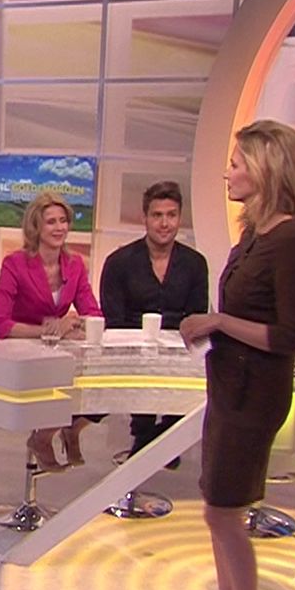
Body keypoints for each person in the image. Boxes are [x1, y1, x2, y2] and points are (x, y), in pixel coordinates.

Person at [177, 122, 295, 590]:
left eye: (237, 163)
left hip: (256, 394)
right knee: (217, 506)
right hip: (227, 386)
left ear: (265, 168)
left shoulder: (290, 240)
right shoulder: (253, 234)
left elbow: (288, 336)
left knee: (223, 512)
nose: (228, 172)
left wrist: (217, 321)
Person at [97, 181, 209, 470]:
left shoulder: (195, 264)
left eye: (171, 215)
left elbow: (196, 318)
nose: (164, 223)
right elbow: (114, 321)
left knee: (210, 370)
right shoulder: (119, 262)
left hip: (180, 352)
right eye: (157, 215)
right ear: (144, 218)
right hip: (130, 351)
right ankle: (150, 439)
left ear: (179, 218)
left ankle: (155, 438)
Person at [0, 192, 103, 469]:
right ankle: (44, 437)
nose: (59, 227)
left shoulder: (75, 264)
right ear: (36, 227)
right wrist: (48, 331)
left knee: (96, 379)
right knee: (59, 382)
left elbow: (94, 314)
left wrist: (74, 322)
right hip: (21, 351)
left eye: (63, 220)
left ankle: (62, 431)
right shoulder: (15, 264)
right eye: (51, 222)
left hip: (56, 350)